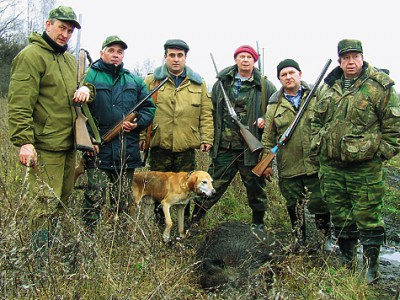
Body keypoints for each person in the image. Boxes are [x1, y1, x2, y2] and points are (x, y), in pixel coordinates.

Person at [311, 39, 400, 283]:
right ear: (339, 61)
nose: (351, 62)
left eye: (355, 57)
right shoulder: (328, 87)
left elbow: (394, 127)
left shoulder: (379, 87)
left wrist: (379, 155)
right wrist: (318, 143)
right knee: (339, 215)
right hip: (332, 166)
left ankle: (372, 267)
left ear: (362, 58)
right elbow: (316, 120)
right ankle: (347, 261)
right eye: (346, 58)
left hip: (365, 167)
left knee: (368, 216)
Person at [7, 6, 92, 261]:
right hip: (44, 145)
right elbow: (20, 102)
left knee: (62, 200)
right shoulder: (31, 56)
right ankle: (40, 262)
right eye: (61, 27)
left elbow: (84, 86)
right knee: (44, 203)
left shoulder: (67, 59)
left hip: (67, 144)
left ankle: (52, 253)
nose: (65, 34)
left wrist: (87, 88)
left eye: (69, 30)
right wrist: (24, 142)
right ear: (48, 25)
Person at [191, 45, 277, 230]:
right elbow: (211, 111)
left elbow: (274, 109)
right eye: (241, 56)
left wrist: (264, 118)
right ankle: (194, 222)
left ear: (254, 61)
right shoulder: (222, 83)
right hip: (225, 148)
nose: (245, 60)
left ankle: (258, 225)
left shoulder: (264, 85)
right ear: (236, 60)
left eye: (249, 57)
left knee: (256, 189)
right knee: (211, 186)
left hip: (250, 150)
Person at [81, 35, 156, 230]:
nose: (115, 55)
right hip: (97, 148)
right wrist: (86, 139)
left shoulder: (134, 80)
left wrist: (137, 123)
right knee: (94, 196)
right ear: (101, 53)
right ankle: (90, 238)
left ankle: (119, 239)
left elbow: (148, 108)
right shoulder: (88, 77)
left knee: (122, 200)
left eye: (119, 52)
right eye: (111, 51)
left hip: (125, 149)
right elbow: (78, 112)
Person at [261, 59, 332, 250]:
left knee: (321, 204)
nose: (288, 77)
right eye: (283, 75)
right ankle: (298, 240)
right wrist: (266, 163)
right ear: (279, 79)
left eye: (291, 72)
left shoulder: (317, 96)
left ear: (300, 74)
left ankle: (324, 239)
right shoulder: (273, 105)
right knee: (293, 205)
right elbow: (268, 138)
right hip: (288, 166)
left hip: (314, 163)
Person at [143, 39, 214, 226]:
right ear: (165, 56)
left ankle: (184, 226)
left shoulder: (198, 83)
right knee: (159, 188)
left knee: (186, 188)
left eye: (180, 55)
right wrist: (143, 139)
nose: (176, 59)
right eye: (172, 55)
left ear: (185, 58)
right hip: (160, 143)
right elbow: (142, 111)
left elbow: (206, 113)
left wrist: (206, 138)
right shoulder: (152, 81)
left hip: (186, 145)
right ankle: (160, 225)